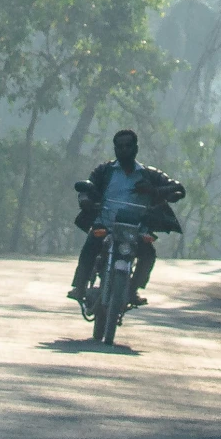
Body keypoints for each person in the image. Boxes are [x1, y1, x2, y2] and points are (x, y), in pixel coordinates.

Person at [70, 128, 185, 308]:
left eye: (128, 146)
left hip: (136, 230)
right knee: (91, 245)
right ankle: (80, 286)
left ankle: (132, 290)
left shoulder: (149, 174)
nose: (124, 150)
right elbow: (86, 189)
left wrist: (153, 191)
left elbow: (178, 188)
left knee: (148, 254)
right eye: (120, 146)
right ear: (115, 149)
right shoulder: (104, 170)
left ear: (136, 148)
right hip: (106, 225)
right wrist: (85, 200)